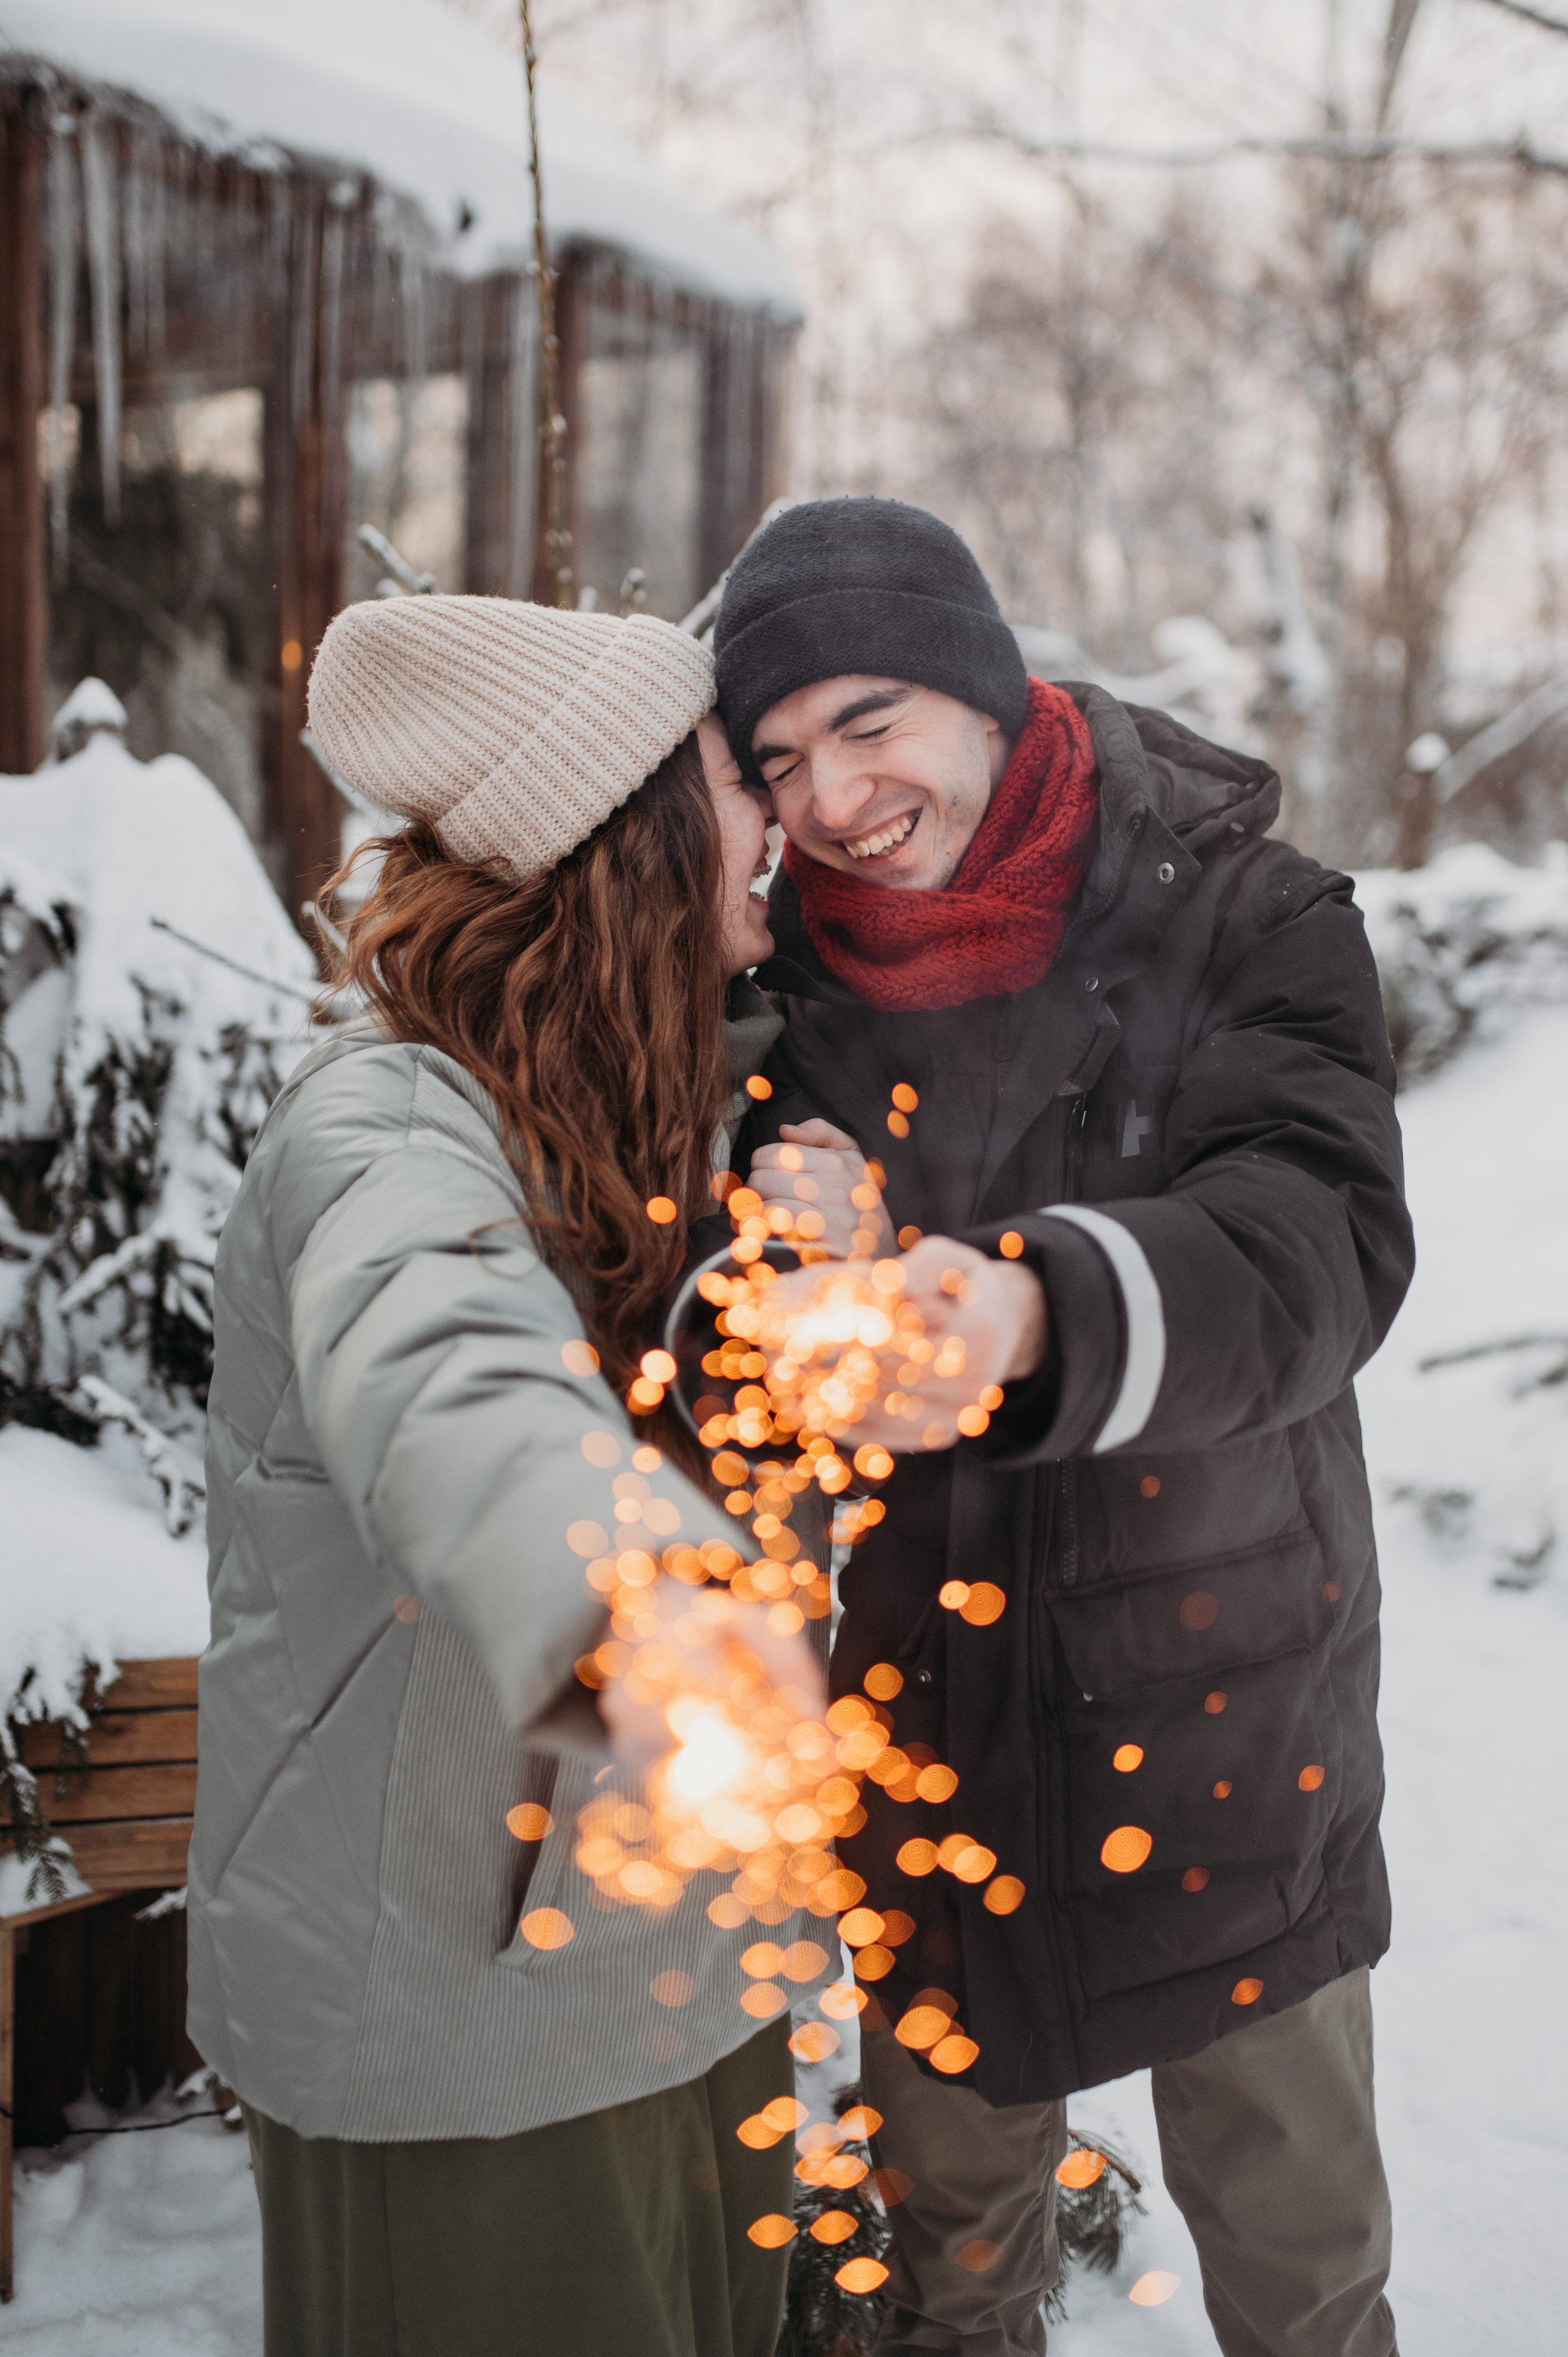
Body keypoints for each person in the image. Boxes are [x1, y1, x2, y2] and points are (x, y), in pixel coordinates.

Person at [707, 498, 1414, 2357]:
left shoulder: (1247, 910)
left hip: (1229, 1711)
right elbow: (712, 1325)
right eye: (780, 759)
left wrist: (1039, 1307)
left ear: (986, 688)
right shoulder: (772, 997)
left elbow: (1320, 1236)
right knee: (950, 2275)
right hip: (934, 1722)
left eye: (871, 722)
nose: (834, 799)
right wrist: (765, 1251)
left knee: (1304, 2272)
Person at [186, 595, 828, 2357]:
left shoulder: (681, 1125)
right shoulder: (388, 1129)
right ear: (625, 835)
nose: (780, 808)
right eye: (735, 772)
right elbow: (445, 1361)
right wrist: (635, 1598)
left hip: (680, 1971)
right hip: (453, 2013)